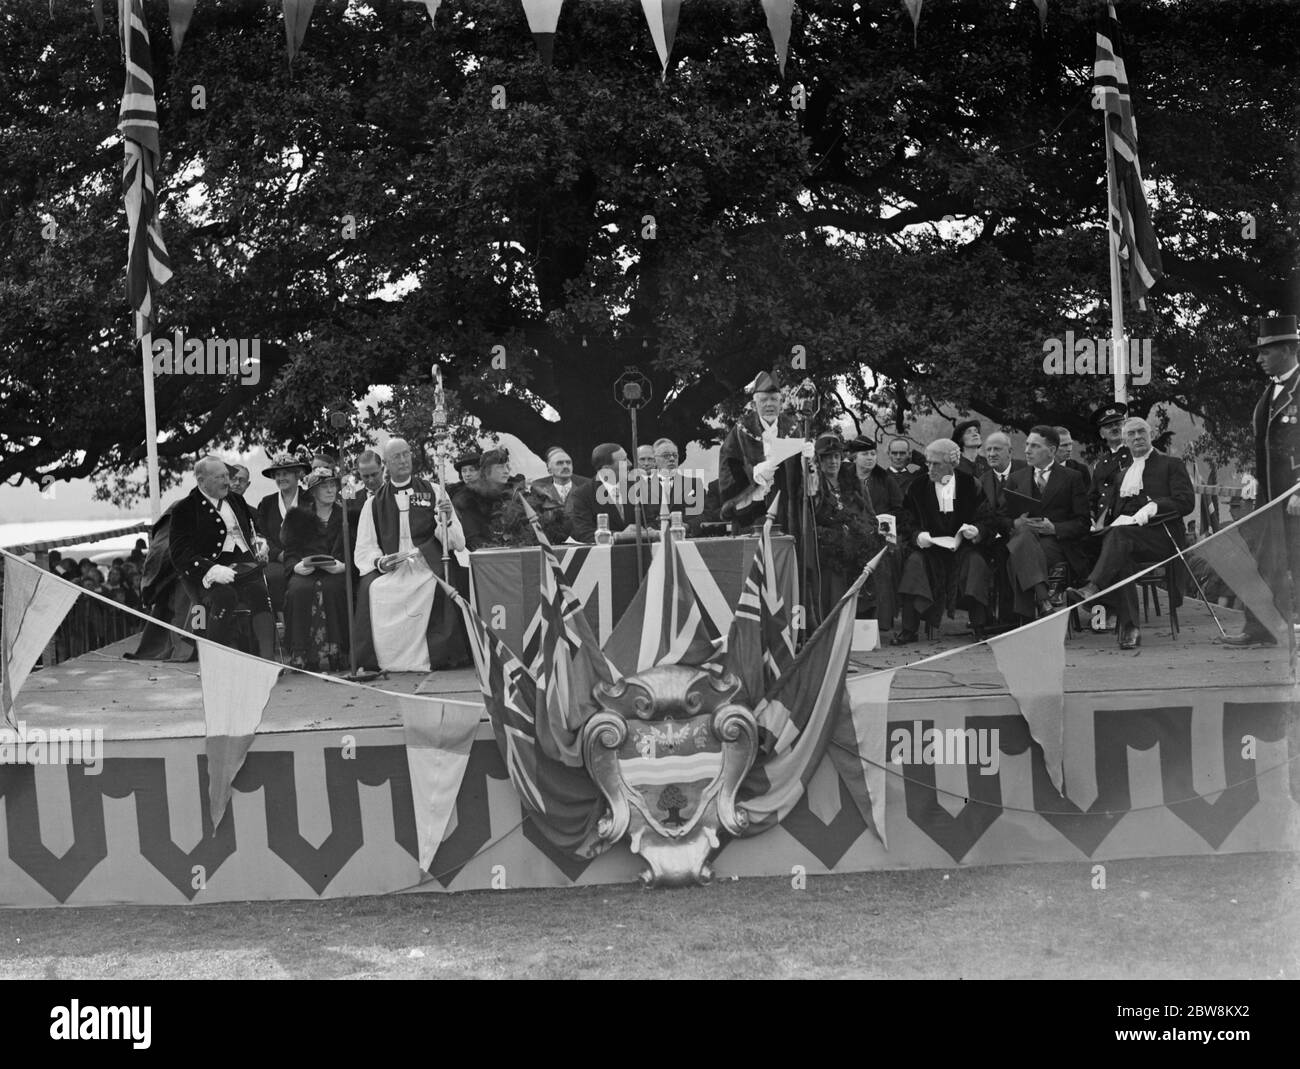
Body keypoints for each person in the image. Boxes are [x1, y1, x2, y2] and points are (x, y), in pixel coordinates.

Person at [1067, 417, 1195, 649]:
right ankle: (1129, 627)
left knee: (1119, 538)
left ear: (1151, 435)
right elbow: (1115, 512)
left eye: (1141, 432)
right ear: (1125, 440)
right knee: (1085, 541)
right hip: (1125, 539)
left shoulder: (1171, 464)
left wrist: (1156, 506)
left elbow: (1186, 503)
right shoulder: (1121, 475)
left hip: (1161, 537)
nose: (1137, 437)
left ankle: (1093, 589)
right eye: (1132, 434)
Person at [352, 437, 469, 672]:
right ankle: (386, 660)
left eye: (406, 454)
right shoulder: (373, 503)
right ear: (386, 463)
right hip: (394, 568)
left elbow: (458, 542)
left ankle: (437, 656)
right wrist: (380, 561)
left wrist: (444, 522)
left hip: (427, 565)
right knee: (373, 589)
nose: (403, 460)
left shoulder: (436, 491)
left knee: (435, 585)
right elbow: (366, 546)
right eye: (396, 457)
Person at [1223, 314, 1300, 646]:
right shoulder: (1270, 392)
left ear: (1286, 349)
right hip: (1270, 495)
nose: (1258, 359)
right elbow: (1264, 444)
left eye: (1265, 352)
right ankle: (1261, 629)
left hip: (1295, 496)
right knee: (1263, 562)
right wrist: (1254, 477)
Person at [168, 455, 275, 659]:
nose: (227, 481)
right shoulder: (185, 509)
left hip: (245, 567)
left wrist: (261, 544)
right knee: (225, 596)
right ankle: (214, 660)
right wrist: (210, 569)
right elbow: (179, 553)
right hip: (207, 572)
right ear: (201, 481)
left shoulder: (236, 500)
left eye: (227, 475)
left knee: (260, 593)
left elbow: (255, 531)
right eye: (219, 477)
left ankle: (267, 660)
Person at [892, 438, 994, 645]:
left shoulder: (971, 484)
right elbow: (905, 520)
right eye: (928, 463)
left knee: (976, 563)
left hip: (963, 549)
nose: (929, 468)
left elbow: (987, 519)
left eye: (935, 464)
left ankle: (979, 626)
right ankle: (909, 629)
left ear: (952, 463)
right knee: (914, 563)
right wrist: (917, 536)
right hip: (929, 550)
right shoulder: (917, 487)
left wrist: (977, 531)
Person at [997, 426, 1091, 619]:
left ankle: (1032, 612)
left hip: (1057, 544)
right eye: (1027, 445)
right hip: (1025, 542)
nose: (1027, 450)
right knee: (1023, 538)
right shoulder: (1016, 478)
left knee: (1019, 550)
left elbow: (1083, 522)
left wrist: (1054, 528)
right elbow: (999, 517)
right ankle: (1044, 600)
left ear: (1052, 450)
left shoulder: (1072, 478)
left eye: (1034, 446)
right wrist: (1016, 523)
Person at [717, 370, 807, 535]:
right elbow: (727, 468)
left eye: (774, 399)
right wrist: (755, 474)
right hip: (752, 509)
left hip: (786, 508)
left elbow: (801, 476)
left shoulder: (794, 429)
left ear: (781, 402)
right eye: (763, 400)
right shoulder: (740, 431)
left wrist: (809, 462)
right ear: (754, 404)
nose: (769, 404)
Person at [281, 466, 350, 672]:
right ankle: (300, 653)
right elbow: (290, 549)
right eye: (324, 487)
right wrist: (295, 566)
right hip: (307, 571)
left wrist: (345, 565)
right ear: (313, 492)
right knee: (298, 589)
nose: (330, 490)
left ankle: (338, 652)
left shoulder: (348, 516)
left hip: (337, 569)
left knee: (333, 588)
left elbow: (358, 547)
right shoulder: (297, 517)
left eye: (333, 485)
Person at [811, 434, 887, 616]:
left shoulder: (853, 483)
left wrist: (865, 531)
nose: (833, 462)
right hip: (827, 543)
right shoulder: (813, 485)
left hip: (857, 540)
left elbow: (869, 514)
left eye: (836, 456)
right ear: (818, 460)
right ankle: (836, 620)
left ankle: (866, 620)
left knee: (877, 556)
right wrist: (836, 536)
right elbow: (810, 521)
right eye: (827, 457)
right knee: (835, 567)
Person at [568, 443, 659, 544]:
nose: (630, 463)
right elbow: (584, 533)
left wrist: (646, 531)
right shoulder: (583, 495)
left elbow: (651, 522)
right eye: (624, 461)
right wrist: (621, 536)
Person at [256, 452, 310, 613]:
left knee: (305, 582)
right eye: (277, 474)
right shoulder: (267, 503)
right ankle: (282, 626)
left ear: (297, 475)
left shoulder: (310, 499)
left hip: (305, 557)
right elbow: (261, 534)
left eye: (285, 473)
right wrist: (277, 554)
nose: (281, 478)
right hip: (276, 560)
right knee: (273, 578)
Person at [456, 448, 517, 550]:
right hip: (490, 558)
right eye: (500, 467)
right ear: (486, 471)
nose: (506, 471)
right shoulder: (469, 499)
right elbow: (473, 539)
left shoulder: (514, 493)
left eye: (507, 466)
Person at [529, 447, 588, 539]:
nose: (565, 466)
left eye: (568, 463)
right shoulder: (539, 491)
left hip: (581, 543)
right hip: (552, 543)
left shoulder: (585, 489)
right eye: (559, 463)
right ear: (549, 470)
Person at [1088, 402, 1131, 520]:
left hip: (1126, 520)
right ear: (1102, 434)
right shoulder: (1101, 464)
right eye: (1108, 426)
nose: (1114, 428)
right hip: (1103, 522)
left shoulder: (1135, 455)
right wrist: (1091, 517)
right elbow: (1093, 496)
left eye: (1118, 423)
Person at [843, 437, 904, 518]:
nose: (870, 458)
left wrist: (883, 518)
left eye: (873, 454)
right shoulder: (843, 479)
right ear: (854, 458)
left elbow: (900, 511)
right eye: (865, 454)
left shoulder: (886, 480)